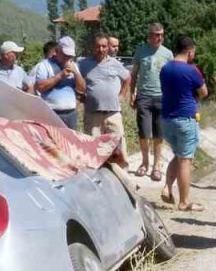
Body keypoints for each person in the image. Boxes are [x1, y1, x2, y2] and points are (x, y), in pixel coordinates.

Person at [159, 35, 208, 211]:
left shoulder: (165, 69)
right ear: (190, 51)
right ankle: (184, 201)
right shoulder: (191, 70)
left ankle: (167, 187)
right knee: (185, 160)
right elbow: (204, 92)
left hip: (167, 119)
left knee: (179, 155)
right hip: (185, 118)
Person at [129, 22, 173, 181]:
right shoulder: (141, 51)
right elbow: (134, 74)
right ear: (150, 35)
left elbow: (172, 76)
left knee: (159, 134)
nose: (159, 37)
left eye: (161, 35)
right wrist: (132, 93)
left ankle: (157, 166)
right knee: (144, 133)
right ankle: (144, 162)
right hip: (144, 97)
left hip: (162, 97)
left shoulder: (168, 54)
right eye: (156, 35)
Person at [78, 34, 130, 162]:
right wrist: (79, 95)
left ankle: (122, 170)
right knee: (92, 147)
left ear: (108, 47)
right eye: (98, 46)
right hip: (93, 114)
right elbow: (74, 78)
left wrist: (122, 95)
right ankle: (95, 171)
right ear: (93, 47)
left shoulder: (115, 63)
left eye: (104, 46)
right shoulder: (83, 64)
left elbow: (127, 78)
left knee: (118, 146)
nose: (101, 49)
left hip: (113, 113)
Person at [30, 36, 85, 130]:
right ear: (57, 51)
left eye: (70, 55)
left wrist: (76, 73)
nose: (68, 58)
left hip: (71, 114)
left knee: (69, 139)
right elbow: (40, 87)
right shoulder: (44, 65)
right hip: (51, 113)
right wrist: (60, 76)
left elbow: (82, 89)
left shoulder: (74, 66)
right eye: (65, 54)